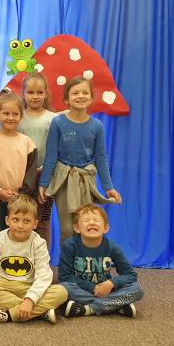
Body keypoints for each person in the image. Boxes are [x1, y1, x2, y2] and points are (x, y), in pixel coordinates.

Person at [39, 77, 122, 243]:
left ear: (91, 98)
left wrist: (109, 187)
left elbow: (101, 158)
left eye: (85, 92)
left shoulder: (97, 126)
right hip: (64, 180)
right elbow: (51, 155)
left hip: (86, 181)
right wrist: (44, 183)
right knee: (67, 229)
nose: (80, 96)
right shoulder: (58, 123)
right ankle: (67, 260)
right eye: (75, 93)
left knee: (84, 225)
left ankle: (83, 259)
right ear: (66, 99)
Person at [0, 194, 67, 324]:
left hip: (29, 286)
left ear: (35, 224)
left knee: (62, 292)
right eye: (15, 220)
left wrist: (30, 299)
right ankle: (40, 312)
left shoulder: (39, 243)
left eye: (26, 221)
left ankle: (9, 315)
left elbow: (44, 275)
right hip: (3, 285)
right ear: (7, 220)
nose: (20, 225)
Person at [60, 203, 143, 318]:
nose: (92, 222)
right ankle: (115, 305)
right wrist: (92, 287)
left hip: (106, 290)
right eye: (86, 220)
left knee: (137, 289)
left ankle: (88, 309)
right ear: (77, 228)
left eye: (96, 220)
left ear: (106, 228)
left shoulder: (112, 247)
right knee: (63, 288)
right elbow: (65, 277)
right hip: (82, 289)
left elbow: (131, 275)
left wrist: (111, 283)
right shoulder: (70, 245)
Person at [0, 92, 38, 236]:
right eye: (6, 113)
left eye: (15, 114)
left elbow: (31, 171)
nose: (10, 118)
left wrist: (21, 194)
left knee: (19, 231)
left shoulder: (27, 143)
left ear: (21, 116)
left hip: (21, 197)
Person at [17, 72, 58, 246]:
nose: (35, 96)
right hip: (21, 177)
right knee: (21, 217)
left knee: (42, 219)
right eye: (30, 92)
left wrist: (45, 170)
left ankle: (43, 258)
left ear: (46, 94)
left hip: (45, 176)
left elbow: (57, 149)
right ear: (23, 94)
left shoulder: (53, 119)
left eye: (39, 92)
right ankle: (22, 255)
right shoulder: (17, 117)